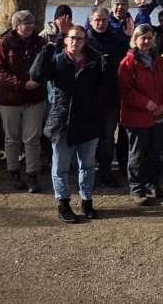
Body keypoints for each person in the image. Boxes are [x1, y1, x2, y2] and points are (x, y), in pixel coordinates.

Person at [32, 25, 105, 223]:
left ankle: (86, 200)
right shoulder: (57, 60)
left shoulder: (94, 61)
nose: (76, 42)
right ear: (65, 39)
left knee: (88, 165)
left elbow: (104, 86)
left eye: (80, 39)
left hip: (88, 121)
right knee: (60, 166)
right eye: (72, 38)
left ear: (85, 41)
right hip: (62, 121)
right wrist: (48, 48)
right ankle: (63, 202)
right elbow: (37, 75)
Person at [0, 10, 48, 193]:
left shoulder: (41, 43)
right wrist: (22, 84)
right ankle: (13, 173)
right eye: (26, 23)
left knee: (33, 138)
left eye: (32, 22)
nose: (31, 26)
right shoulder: (4, 43)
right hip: (10, 100)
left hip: (35, 99)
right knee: (12, 138)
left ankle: (32, 174)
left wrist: (38, 81)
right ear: (16, 26)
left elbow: (47, 65)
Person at [119, 24, 163, 205]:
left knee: (154, 153)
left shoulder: (160, 61)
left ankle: (153, 183)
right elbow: (125, 90)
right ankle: (137, 188)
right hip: (136, 117)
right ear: (135, 40)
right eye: (143, 38)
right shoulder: (127, 62)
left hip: (157, 115)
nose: (147, 41)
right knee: (137, 154)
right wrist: (146, 103)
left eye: (150, 38)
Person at [85, 5, 128, 188]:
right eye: (97, 20)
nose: (101, 23)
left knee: (108, 137)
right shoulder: (84, 40)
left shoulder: (118, 41)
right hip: (87, 98)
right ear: (91, 21)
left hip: (111, 97)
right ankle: (87, 171)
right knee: (88, 137)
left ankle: (105, 171)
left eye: (104, 20)